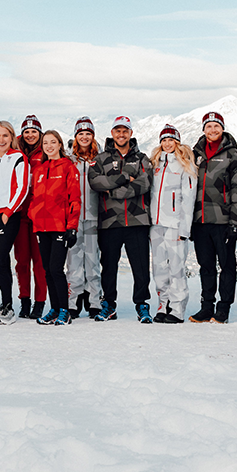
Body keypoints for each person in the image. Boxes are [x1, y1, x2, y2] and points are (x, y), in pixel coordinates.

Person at [88, 115, 154, 323]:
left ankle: (142, 304)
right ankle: (108, 305)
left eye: (125, 130)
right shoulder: (101, 159)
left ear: (131, 133)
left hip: (137, 221)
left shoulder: (142, 158)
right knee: (109, 266)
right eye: (118, 130)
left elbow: (145, 183)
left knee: (141, 266)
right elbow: (96, 182)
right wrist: (125, 178)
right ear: (112, 133)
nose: (121, 134)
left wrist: (115, 192)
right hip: (109, 221)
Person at [189, 112, 237, 324]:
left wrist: (234, 222)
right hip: (200, 220)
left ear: (222, 128)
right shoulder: (195, 153)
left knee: (226, 265)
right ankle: (206, 307)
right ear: (203, 129)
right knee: (205, 266)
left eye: (216, 126)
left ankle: (223, 308)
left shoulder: (233, 155)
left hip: (223, 220)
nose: (212, 130)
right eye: (209, 127)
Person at [27, 130, 81, 326]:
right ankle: (54, 308)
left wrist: (72, 226)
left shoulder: (68, 167)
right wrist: (33, 215)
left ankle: (64, 311)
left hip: (60, 226)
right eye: (45, 143)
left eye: (53, 142)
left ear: (60, 144)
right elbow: (34, 197)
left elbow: (75, 199)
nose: (49, 146)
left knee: (57, 269)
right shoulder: (40, 169)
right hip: (41, 227)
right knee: (47, 269)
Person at [0, 121, 30, 325]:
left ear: (12, 138)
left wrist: (8, 212)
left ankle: (8, 307)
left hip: (7, 216)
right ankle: (4, 304)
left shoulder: (18, 159)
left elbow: (23, 188)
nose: (1, 140)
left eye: (5, 136)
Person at [149, 125, 195, 324]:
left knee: (176, 268)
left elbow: (189, 198)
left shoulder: (185, 165)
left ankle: (177, 309)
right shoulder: (154, 164)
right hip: (155, 224)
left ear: (178, 142)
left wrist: (184, 228)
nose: (167, 144)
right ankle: (162, 304)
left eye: (171, 140)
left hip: (175, 225)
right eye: (164, 140)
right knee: (159, 268)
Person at [66, 117, 103, 319]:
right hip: (74, 217)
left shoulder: (100, 159)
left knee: (92, 260)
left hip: (95, 215)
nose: (85, 137)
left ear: (93, 136)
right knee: (73, 260)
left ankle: (94, 300)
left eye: (88, 134)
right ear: (75, 137)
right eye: (81, 134)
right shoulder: (70, 160)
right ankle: (73, 300)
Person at [13, 114, 48, 320]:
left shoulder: (44, 152)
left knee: (40, 262)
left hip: (40, 214)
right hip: (19, 213)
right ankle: (24, 300)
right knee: (22, 261)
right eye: (27, 132)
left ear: (39, 133)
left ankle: (40, 302)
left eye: (34, 131)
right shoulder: (15, 151)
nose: (30, 135)